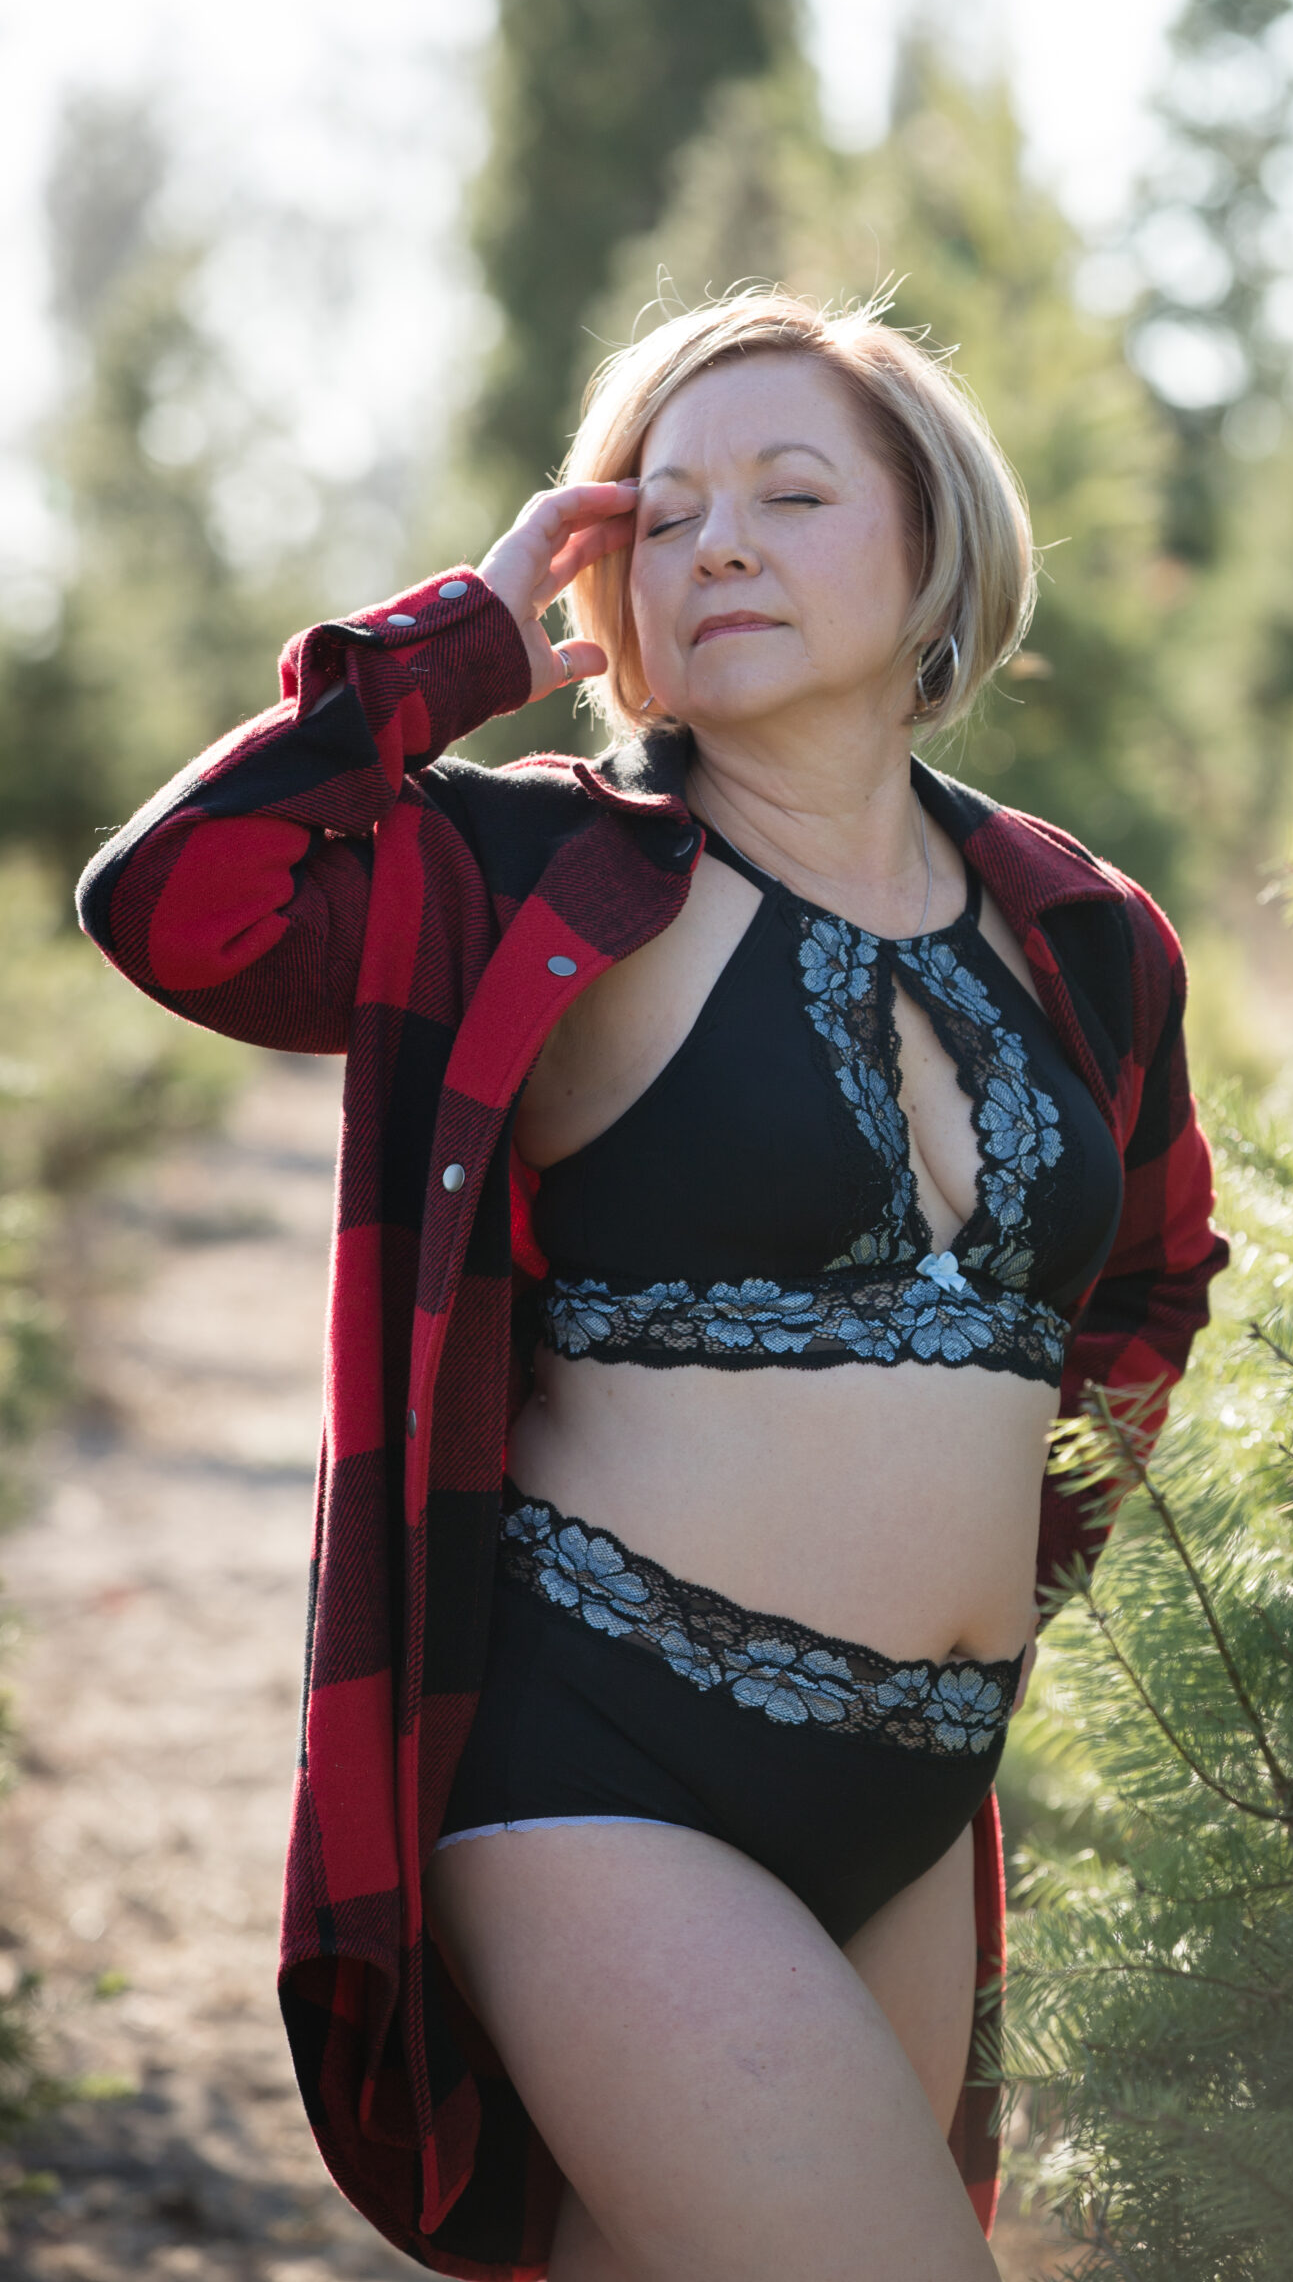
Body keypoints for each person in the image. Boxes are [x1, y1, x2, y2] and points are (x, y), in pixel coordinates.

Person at [78, 292, 1227, 2282]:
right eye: (662, 513)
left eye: (791, 491)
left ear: (929, 540)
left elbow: (1148, 1272)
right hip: (604, 1763)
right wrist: (465, 650)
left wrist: (999, 1550)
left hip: (918, 1792)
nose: (719, 544)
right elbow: (180, 902)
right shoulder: (537, 875)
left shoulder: (1082, 930)